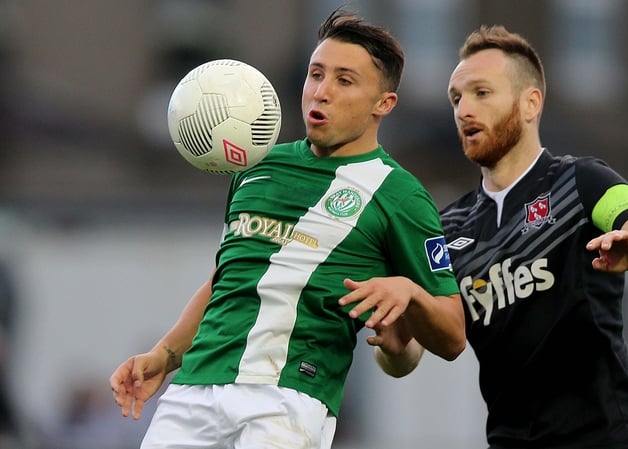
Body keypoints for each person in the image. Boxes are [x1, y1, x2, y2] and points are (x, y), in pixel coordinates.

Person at [109, 8, 465, 449]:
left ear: (383, 104)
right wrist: (164, 356)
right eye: (316, 75)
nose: (321, 92)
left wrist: (409, 292)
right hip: (194, 389)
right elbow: (226, 279)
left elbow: (452, 335)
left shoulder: (401, 196)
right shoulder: (256, 165)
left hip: (289, 397)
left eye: (344, 80)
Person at [436, 25, 628, 448]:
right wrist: (392, 340)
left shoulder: (580, 182)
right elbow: (408, 354)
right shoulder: (447, 228)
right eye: (456, 98)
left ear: (530, 103)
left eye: (481, 93)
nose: (463, 110)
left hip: (608, 438)